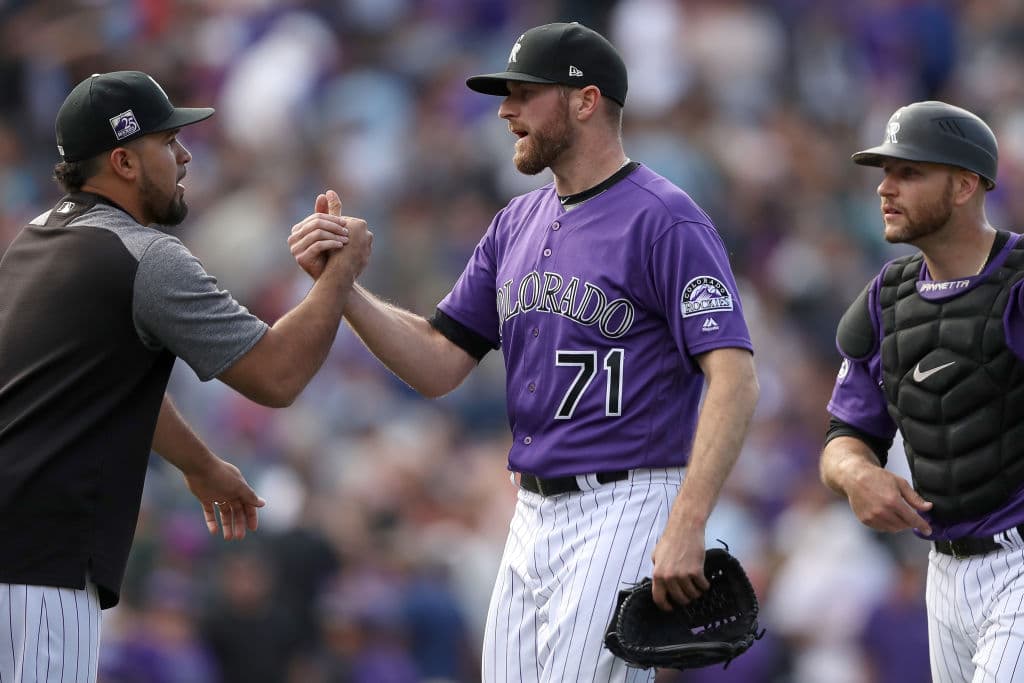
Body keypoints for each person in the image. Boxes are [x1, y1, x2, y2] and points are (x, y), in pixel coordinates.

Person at [289, 22, 759, 682]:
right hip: (529, 512)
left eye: (524, 93)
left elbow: (734, 377)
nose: (506, 110)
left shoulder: (665, 218)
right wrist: (345, 290)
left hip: (623, 503)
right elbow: (438, 358)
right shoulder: (516, 221)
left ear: (586, 101)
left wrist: (688, 519)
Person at [0, 70, 371, 682]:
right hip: (41, 562)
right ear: (122, 160)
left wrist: (199, 465)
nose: (184, 154)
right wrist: (340, 273)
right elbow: (277, 377)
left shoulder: (33, 242)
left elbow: (98, 381)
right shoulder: (145, 256)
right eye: (167, 142)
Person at [820, 100, 1024, 682]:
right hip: (944, 572)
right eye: (885, 172)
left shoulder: (1018, 282)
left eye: (910, 172)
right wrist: (857, 474)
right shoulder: (888, 298)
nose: (886, 188)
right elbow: (844, 436)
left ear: (965, 185)